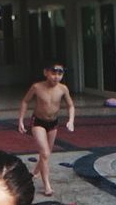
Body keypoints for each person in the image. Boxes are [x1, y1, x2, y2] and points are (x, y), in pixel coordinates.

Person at [18, 62, 76, 197]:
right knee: (44, 153)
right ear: (46, 73)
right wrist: (21, 120)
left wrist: (71, 120)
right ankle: (47, 186)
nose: (56, 77)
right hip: (38, 122)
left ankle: (34, 172)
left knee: (47, 153)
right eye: (53, 73)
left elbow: (70, 105)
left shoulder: (63, 89)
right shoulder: (37, 87)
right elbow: (25, 101)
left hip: (53, 123)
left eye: (60, 74)